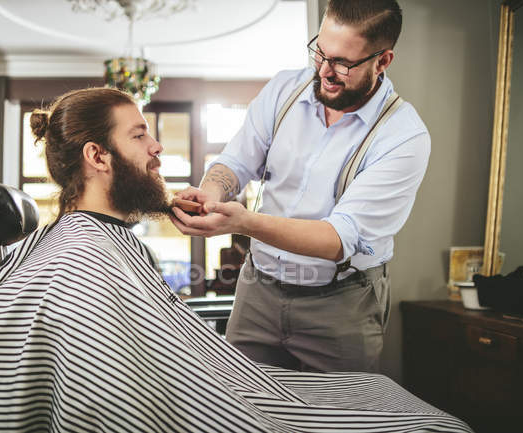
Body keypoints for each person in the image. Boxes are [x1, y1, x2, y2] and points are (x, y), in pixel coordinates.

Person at [0, 88, 469, 432]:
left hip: (323, 313)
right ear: (97, 156)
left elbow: (342, 236)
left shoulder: (89, 242)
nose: (157, 147)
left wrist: (205, 206)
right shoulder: (80, 264)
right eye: (138, 135)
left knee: (371, 392)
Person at [171, 0, 429, 373]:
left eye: (342, 62)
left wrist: (243, 223)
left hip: (342, 304)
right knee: (244, 408)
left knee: (340, 421)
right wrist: (211, 192)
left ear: (383, 61)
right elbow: (237, 161)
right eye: (320, 52)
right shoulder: (284, 90)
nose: (325, 71)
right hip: (257, 288)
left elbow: (336, 239)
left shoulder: (403, 136)